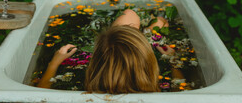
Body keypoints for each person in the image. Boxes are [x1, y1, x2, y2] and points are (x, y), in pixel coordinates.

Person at [38, 9, 183, 92]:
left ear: (95, 63)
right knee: (159, 22)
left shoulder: (90, 87)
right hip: (135, 53)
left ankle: (144, 33)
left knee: (130, 15)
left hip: (125, 52)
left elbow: (40, 94)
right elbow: (184, 93)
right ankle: (147, 33)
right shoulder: (156, 92)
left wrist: (53, 64)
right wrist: (173, 62)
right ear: (149, 65)